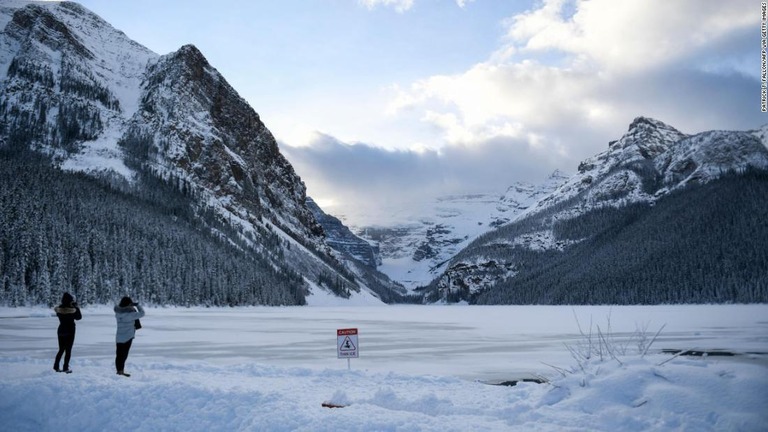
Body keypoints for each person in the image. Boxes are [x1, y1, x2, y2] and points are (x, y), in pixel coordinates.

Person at [114, 296, 145, 377]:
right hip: (128, 337)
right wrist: (137, 305)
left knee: (119, 355)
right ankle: (121, 371)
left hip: (119, 337)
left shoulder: (117, 313)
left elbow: (120, 308)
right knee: (124, 355)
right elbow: (142, 313)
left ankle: (119, 371)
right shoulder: (131, 314)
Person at [53, 292, 82, 373]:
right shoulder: (72, 309)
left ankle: (56, 366)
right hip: (70, 331)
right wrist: (77, 307)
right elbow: (79, 317)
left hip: (61, 330)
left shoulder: (59, 309)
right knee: (68, 350)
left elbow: (59, 313)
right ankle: (65, 367)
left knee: (61, 349)